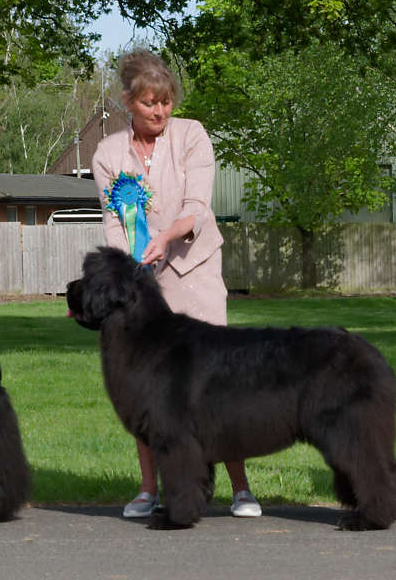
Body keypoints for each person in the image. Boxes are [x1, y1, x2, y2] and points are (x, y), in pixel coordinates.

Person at [91, 50, 261, 520]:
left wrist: (165, 236)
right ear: (128, 102)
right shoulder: (107, 154)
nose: (161, 112)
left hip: (195, 271)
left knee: (217, 383)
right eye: (150, 103)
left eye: (166, 102)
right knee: (145, 390)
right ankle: (151, 489)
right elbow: (113, 224)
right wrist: (130, 271)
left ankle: (240, 488)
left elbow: (198, 206)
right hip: (144, 286)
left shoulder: (192, 136)